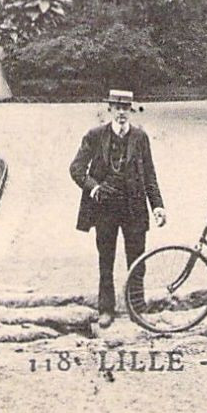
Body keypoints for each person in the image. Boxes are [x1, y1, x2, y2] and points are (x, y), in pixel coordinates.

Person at [69, 90, 166, 328]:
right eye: (117, 107)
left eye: (126, 108)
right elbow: (76, 169)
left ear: (131, 110)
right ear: (110, 109)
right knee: (106, 259)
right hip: (105, 208)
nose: (121, 112)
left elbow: (150, 175)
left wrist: (158, 206)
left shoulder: (140, 137)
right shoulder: (95, 135)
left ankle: (137, 307)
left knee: (137, 260)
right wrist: (95, 188)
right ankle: (106, 308)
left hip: (134, 207)